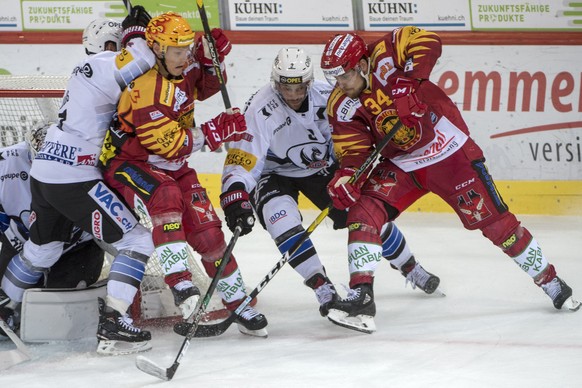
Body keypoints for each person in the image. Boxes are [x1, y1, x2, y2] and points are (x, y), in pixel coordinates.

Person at [319, 28, 580, 331]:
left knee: (497, 225)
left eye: (343, 77)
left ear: (362, 65)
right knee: (363, 209)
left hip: (449, 152)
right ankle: (361, 297)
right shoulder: (341, 104)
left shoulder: (386, 53)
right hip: (402, 163)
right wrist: (347, 177)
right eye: (333, 79)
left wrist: (409, 79)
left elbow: (427, 40)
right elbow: (353, 151)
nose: (338, 85)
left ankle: (549, 279)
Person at [220, 47, 441, 327]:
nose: (293, 94)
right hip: (272, 172)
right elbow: (244, 156)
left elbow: (355, 131)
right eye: (286, 87)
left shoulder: (328, 96)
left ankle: (411, 267)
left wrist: (353, 165)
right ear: (276, 83)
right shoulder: (261, 108)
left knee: (365, 214)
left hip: (321, 167)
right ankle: (323, 289)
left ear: (309, 81)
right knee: (281, 220)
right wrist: (235, 192)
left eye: (299, 86)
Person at [99, 12, 268, 337]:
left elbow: (205, 86)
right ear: (158, 49)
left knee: (208, 233)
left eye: (187, 49)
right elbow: (170, 145)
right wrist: (217, 129)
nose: (183, 56)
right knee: (166, 195)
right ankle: (182, 286)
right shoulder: (147, 86)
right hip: (130, 163)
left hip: (173, 166)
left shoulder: (181, 64)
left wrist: (210, 61)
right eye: (177, 51)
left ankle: (238, 302)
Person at [0, 10, 159, 355]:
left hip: (45, 172)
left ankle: (4, 304)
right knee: (137, 240)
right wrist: (139, 32)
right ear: (108, 45)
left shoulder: (86, 72)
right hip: (74, 175)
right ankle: (114, 325)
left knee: (44, 249)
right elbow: (145, 57)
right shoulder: (106, 65)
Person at [0, 123, 104, 291]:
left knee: (63, 304)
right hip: (22, 245)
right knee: (6, 299)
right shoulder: (6, 163)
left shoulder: (90, 162)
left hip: (78, 248)